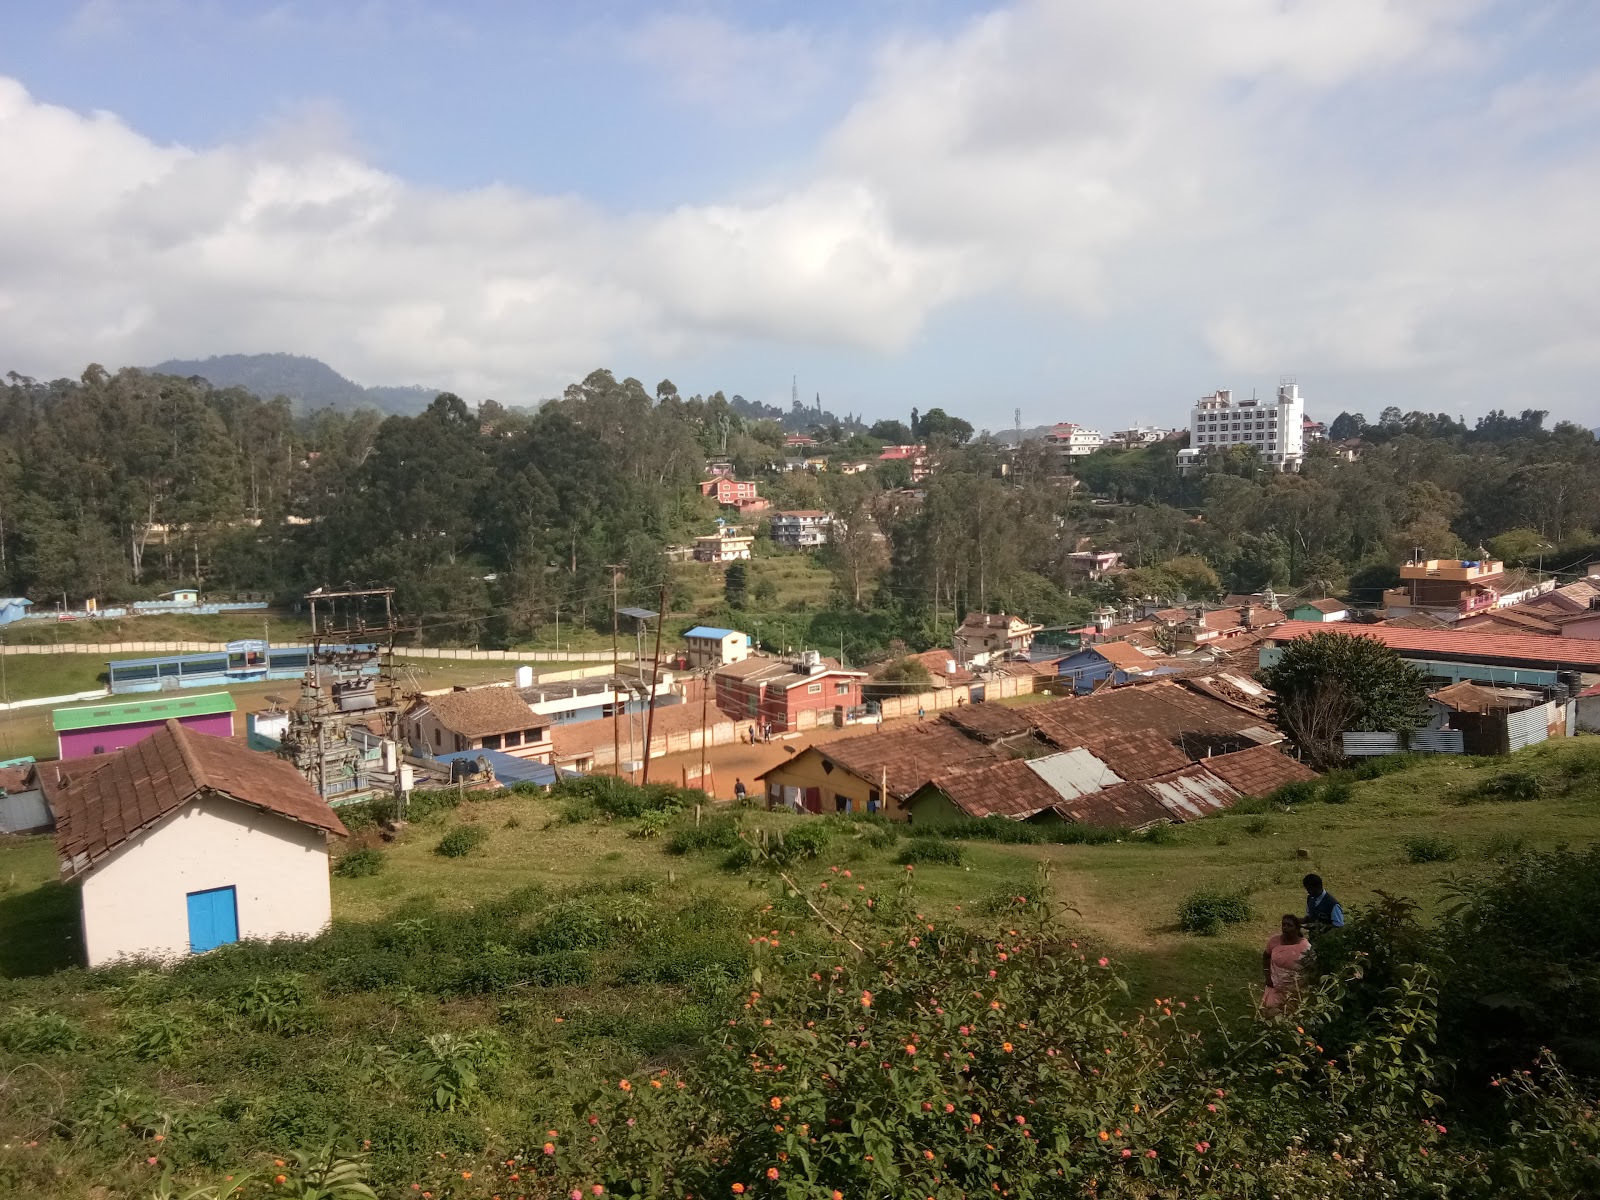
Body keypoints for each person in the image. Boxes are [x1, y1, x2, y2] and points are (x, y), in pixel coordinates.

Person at [1261, 914, 1312, 1012]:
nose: (1285, 928)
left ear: (1297, 929)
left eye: (1289, 925)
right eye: (1284, 925)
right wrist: (1268, 976)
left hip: (1296, 989)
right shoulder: (1274, 941)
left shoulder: (1305, 947)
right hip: (1275, 987)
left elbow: (1311, 968)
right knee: (1269, 1012)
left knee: (1292, 1014)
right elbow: (1266, 956)